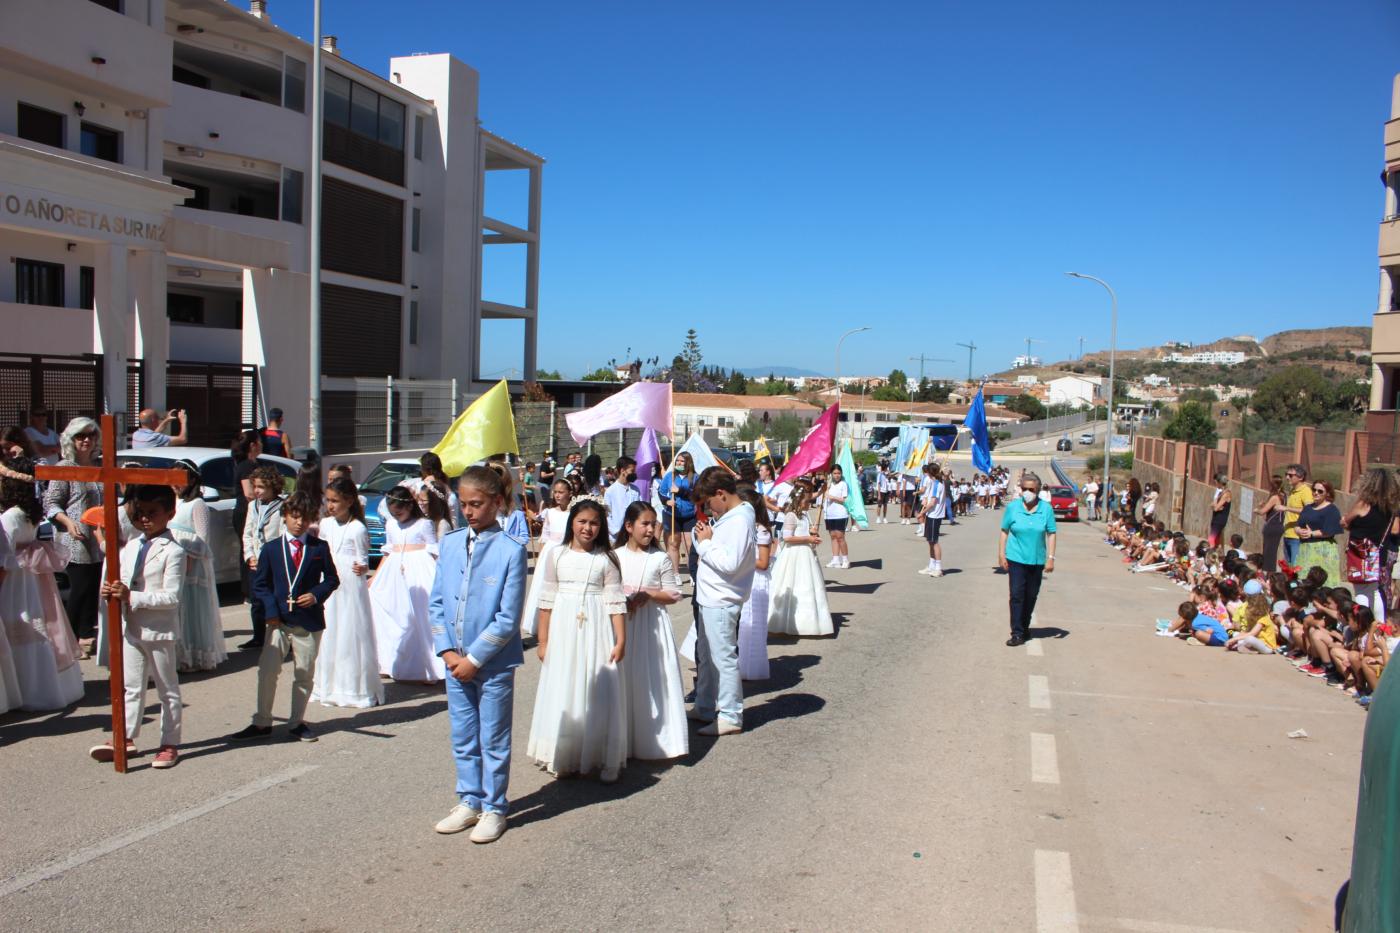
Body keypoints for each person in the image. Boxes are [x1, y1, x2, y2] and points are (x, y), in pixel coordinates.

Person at [428, 465, 528, 843]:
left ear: (497, 502)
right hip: (454, 662)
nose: (468, 511)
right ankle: (468, 800)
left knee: (493, 737)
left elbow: (507, 618)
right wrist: (447, 651)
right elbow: (437, 602)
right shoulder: (451, 542)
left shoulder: (510, 550)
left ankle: (494, 806)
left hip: (492, 663)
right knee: (463, 734)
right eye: (464, 503)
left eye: (477, 504)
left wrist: (474, 659)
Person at [528, 498, 629, 781]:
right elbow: (546, 602)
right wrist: (543, 641)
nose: (587, 528)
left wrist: (621, 639)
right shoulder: (556, 555)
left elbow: (615, 602)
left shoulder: (607, 559)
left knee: (599, 686)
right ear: (571, 522)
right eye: (582, 521)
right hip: (564, 628)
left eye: (594, 523)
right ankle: (565, 752)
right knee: (566, 685)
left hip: (597, 627)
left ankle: (603, 754)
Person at [231, 491, 340, 743]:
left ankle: (297, 722)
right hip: (278, 621)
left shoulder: (319, 547)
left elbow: (332, 579)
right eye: (294, 516)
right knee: (267, 671)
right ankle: (262, 721)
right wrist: (271, 612)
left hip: (309, 621)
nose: (299, 523)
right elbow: (261, 585)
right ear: (285, 517)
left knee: (304, 673)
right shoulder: (271, 549)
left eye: (305, 518)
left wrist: (316, 595)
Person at [90, 484, 185, 767]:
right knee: (131, 687)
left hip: (159, 629)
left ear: (170, 514)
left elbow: (172, 596)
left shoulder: (174, 551)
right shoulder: (131, 546)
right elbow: (121, 579)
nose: (145, 518)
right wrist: (111, 592)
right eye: (141, 513)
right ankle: (127, 736)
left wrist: (132, 596)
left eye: (152, 513)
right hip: (131, 626)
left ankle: (170, 742)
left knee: (167, 689)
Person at [2, 458, 84, 712]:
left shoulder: (10, 517)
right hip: (31, 579)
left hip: (14, 581)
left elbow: (5, 557)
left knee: (20, 627)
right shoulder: (30, 512)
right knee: (38, 625)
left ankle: (26, 690)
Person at [613, 501, 688, 760]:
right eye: (644, 524)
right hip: (622, 623)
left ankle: (653, 737)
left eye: (653, 524)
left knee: (651, 678)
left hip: (651, 625)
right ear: (629, 526)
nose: (649, 529)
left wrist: (649, 594)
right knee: (624, 678)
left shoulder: (659, 558)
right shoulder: (615, 556)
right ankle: (622, 737)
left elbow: (674, 593)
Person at [687, 467, 755, 736]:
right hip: (712, 596)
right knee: (707, 657)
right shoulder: (731, 517)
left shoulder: (739, 521)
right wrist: (704, 538)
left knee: (723, 658)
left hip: (722, 598)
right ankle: (704, 705)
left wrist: (704, 544)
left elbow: (730, 563)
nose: (709, 508)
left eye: (709, 502)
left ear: (721, 494)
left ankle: (730, 715)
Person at [311, 477, 383, 709]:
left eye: (335, 501)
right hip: (328, 580)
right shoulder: (325, 524)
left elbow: (363, 559)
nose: (330, 505)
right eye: (328, 500)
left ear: (349, 501)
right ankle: (326, 685)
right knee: (329, 629)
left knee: (349, 631)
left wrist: (362, 567)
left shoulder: (357, 528)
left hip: (349, 584)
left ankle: (352, 687)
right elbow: (320, 551)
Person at [42, 417, 103, 657]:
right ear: (71, 439)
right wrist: (68, 523)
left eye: (91, 435)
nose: (86, 440)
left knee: (94, 588)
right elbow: (51, 503)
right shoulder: (64, 468)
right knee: (80, 588)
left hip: (99, 538)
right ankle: (69, 639)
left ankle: (87, 636)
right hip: (75, 537)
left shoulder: (100, 466)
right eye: (81, 436)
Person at [369, 485, 443, 682]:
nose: (397, 516)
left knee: (419, 614)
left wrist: (440, 576)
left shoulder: (423, 524)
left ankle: (428, 667)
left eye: (399, 512)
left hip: (418, 571)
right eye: (393, 513)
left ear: (410, 506)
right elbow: (388, 551)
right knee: (392, 613)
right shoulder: (391, 525)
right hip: (393, 572)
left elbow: (434, 550)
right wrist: (375, 577)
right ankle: (387, 662)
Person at [170, 461, 226, 672]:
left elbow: (203, 540)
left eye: (180, 480)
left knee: (193, 609)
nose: (175, 485)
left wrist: (186, 553)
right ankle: (180, 654)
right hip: (176, 562)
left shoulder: (198, 504)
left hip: (192, 564)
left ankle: (195, 655)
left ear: (192, 479)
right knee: (179, 609)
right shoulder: (174, 502)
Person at [998, 471, 1057, 647]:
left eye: (1031, 489)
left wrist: (1051, 558)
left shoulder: (1046, 509)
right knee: (1016, 595)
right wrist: (1001, 553)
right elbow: (1004, 531)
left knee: (1031, 596)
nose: (1027, 492)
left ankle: (1024, 626)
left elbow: (1051, 533)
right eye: (1024, 488)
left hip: (1037, 560)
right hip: (1016, 557)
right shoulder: (1013, 507)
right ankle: (1017, 632)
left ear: (1038, 490)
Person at [767, 482, 834, 637]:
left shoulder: (804, 515)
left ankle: (807, 622)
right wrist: (807, 538)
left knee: (807, 585)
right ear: (800, 499)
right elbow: (787, 537)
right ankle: (784, 621)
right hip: (793, 555)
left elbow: (803, 532)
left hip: (806, 554)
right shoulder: (791, 515)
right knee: (791, 583)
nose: (809, 503)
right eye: (807, 500)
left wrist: (812, 533)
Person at [239, 463, 285, 650]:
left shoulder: (282, 506)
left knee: (275, 598)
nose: (256, 490)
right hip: (256, 561)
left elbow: (282, 535)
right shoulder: (253, 506)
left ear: (273, 486)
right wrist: (250, 556)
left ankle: (281, 636)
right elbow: (248, 533)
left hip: (273, 561)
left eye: (261, 487)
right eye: (255, 486)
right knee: (256, 601)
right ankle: (258, 636)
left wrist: (273, 559)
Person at [1343, 468, 1398, 621]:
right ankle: (1380, 624)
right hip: (1378, 553)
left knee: (1361, 590)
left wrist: (1346, 520)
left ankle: (1362, 624)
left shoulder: (1364, 504)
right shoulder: (1389, 509)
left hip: (1360, 554)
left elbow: (1345, 522)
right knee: (1374, 590)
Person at [521, 479, 572, 639]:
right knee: (545, 586)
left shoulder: (573, 513)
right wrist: (541, 556)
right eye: (555, 492)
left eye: (561, 492)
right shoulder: (550, 512)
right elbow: (545, 534)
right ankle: (542, 621)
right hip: (550, 551)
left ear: (569, 493)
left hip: (566, 549)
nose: (557, 495)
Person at [735, 485, 773, 680]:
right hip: (744, 576)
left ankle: (748, 666)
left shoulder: (761, 530)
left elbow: (763, 563)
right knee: (740, 623)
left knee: (750, 622)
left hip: (756, 581)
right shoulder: (743, 527)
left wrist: (740, 560)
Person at [1296, 480, 1343, 586]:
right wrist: (1298, 530)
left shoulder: (1331, 510)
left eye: (1320, 491)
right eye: (1314, 490)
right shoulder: (1307, 508)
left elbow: (1329, 531)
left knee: (1323, 582)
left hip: (1323, 549)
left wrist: (1311, 533)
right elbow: (1298, 525)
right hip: (1305, 549)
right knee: (1304, 580)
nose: (1316, 493)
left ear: (1328, 493)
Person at [659, 452, 697, 574]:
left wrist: (680, 491)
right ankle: (675, 573)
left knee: (690, 545)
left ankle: (692, 573)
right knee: (673, 543)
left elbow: (696, 495)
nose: (678, 463)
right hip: (671, 514)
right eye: (677, 461)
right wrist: (667, 501)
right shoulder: (670, 476)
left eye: (682, 461)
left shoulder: (695, 477)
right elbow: (661, 492)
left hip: (689, 516)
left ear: (688, 463)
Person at [916, 464, 947, 578]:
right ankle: (931, 566)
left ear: (929, 473)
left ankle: (938, 568)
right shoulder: (935, 483)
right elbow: (930, 499)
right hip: (931, 514)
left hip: (935, 515)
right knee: (930, 541)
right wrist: (925, 499)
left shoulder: (937, 484)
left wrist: (922, 513)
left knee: (934, 542)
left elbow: (933, 503)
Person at [1281, 463, 1314, 567]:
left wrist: (1287, 508)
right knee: (1288, 568)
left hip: (1297, 537)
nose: (1287, 477)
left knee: (1296, 568)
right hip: (1287, 534)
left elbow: (1309, 510)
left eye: (1291, 475)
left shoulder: (1306, 491)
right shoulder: (1293, 491)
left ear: (1301, 477)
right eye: (1286, 474)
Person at [1255, 474, 1287, 571]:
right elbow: (1273, 508)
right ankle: (1270, 572)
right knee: (1272, 552)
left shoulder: (1275, 497)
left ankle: (1268, 573)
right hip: (1278, 526)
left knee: (1268, 553)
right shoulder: (1284, 495)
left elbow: (1262, 512)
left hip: (1272, 526)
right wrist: (1264, 504)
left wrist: (1257, 510)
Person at [604, 456, 641, 538]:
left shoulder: (636, 490)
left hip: (632, 534)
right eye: (632, 471)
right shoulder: (610, 491)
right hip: (616, 536)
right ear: (622, 471)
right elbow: (606, 514)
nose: (634, 474)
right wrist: (616, 531)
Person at [823, 465, 851, 570]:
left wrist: (832, 497)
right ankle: (835, 560)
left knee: (840, 537)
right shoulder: (828, 484)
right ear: (831, 474)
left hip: (841, 514)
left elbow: (844, 500)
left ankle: (845, 560)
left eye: (839, 473)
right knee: (833, 537)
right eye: (835, 473)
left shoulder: (843, 484)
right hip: (829, 514)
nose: (837, 475)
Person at [1207, 474, 1231, 548]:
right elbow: (1213, 505)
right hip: (1216, 517)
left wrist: (1215, 506)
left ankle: (1211, 553)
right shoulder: (1221, 493)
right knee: (1216, 540)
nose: (1216, 484)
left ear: (1220, 483)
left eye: (1216, 483)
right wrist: (1215, 505)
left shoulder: (1226, 494)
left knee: (1211, 539)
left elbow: (1216, 508)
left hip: (1220, 519)